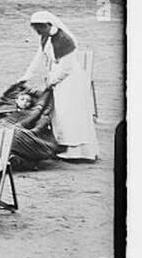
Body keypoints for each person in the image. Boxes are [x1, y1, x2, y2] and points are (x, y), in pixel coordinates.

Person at [18, 11, 98, 162]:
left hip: (70, 80)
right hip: (58, 79)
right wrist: (26, 76)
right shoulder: (46, 38)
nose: (39, 32)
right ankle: (63, 145)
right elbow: (38, 57)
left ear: (49, 24)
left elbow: (66, 68)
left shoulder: (64, 40)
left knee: (70, 113)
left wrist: (51, 81)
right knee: (60, 113)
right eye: (37, 29)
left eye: (41, 28)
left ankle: (77, 151)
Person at [0, 85, 60, 170]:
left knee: (11, 139)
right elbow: (11, 91)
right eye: (22, 99)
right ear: (16, 100)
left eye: (28, 101)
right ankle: (20, 162)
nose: (25, 102)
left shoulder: (33, 112)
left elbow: (43, 102)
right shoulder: (8, 111)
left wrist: (43, 91)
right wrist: (28, 89)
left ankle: (19, 161)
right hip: (5, 129)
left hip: (20, 135)